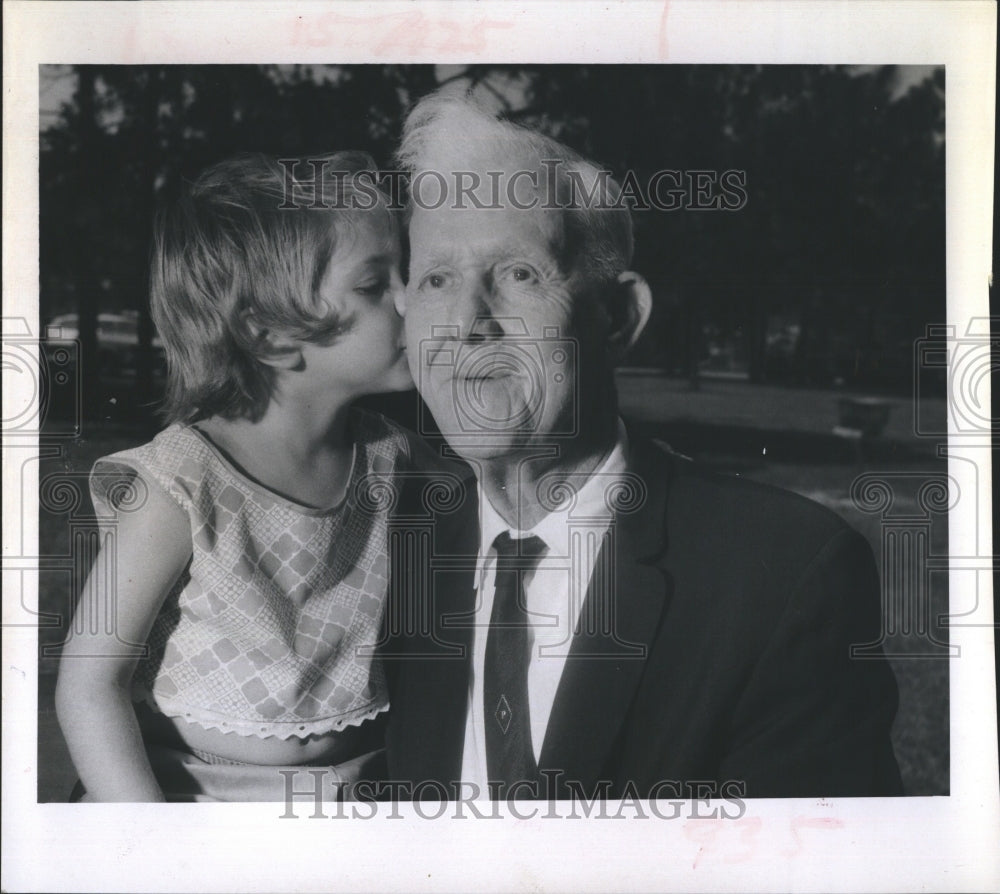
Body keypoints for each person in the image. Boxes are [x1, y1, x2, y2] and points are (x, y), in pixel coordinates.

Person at [382, 92, 903, 800]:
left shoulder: (784, 579)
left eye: (519, 274)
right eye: (438, 279)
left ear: (620, 317)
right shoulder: (381, 558)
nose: (468, 323)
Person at [55, 152, 414, 801]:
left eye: (407, 273)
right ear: (270, 335)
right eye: (374, 284)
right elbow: (89, 686)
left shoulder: (396, 461)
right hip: (191, 797)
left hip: (358, 799)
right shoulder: (181, 482)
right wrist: (150, 844)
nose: (413, 299)